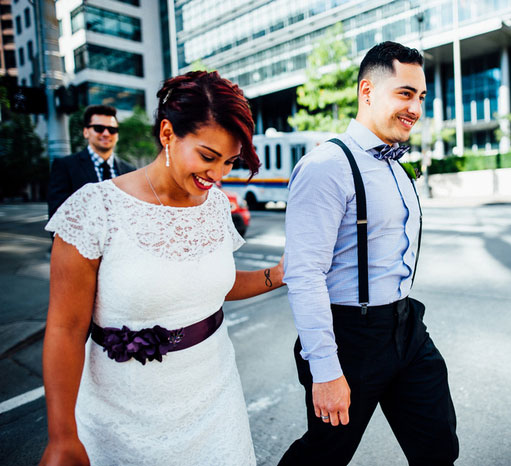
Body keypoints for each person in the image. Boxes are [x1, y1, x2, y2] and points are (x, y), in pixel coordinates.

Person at [40, 71, 284, 466]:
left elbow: (212, 287)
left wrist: (280, 273)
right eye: (208, 157)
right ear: (168, 133)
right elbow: (65, 330)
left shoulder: (217, 206)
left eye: (229, 162)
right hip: (121, 420)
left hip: (215, 405)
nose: (218, 175)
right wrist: (62, 436)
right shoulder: (93, 209)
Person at [281, 41, 459, 466]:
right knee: (325, 455)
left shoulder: (398, 167)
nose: (415, 108)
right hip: (351, 337)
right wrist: (325, 370)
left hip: (406, 326)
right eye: (404, 93)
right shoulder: (327, 166)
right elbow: (303, 274)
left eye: (420, 97)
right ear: (367, 92)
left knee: (438, 449)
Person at [47, 105, 136, 220]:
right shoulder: (65, 167)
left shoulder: (129, 170)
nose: (106, 133)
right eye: (99, 128)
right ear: (86, 132)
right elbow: (57, 218)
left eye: (112, 130)